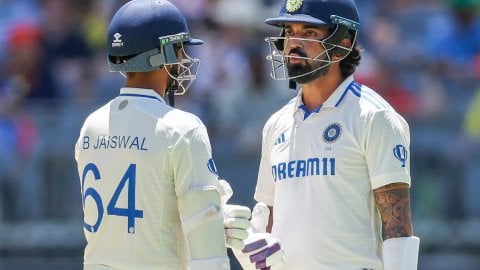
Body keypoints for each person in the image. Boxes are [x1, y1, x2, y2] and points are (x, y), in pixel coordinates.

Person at [233, 0, 420, 269]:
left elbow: (398, 227)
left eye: (308, 33)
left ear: (342, 45)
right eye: (289, 31)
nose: (293, 43)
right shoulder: (276, 124)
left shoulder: (373, 116)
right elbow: (269, 221)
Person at [74, 1, 251, 269]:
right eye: (180, 49)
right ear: (164, 53)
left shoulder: (92, 124)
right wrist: (212, 221)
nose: (184, 59)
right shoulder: (182, 128)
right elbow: (208, 257)